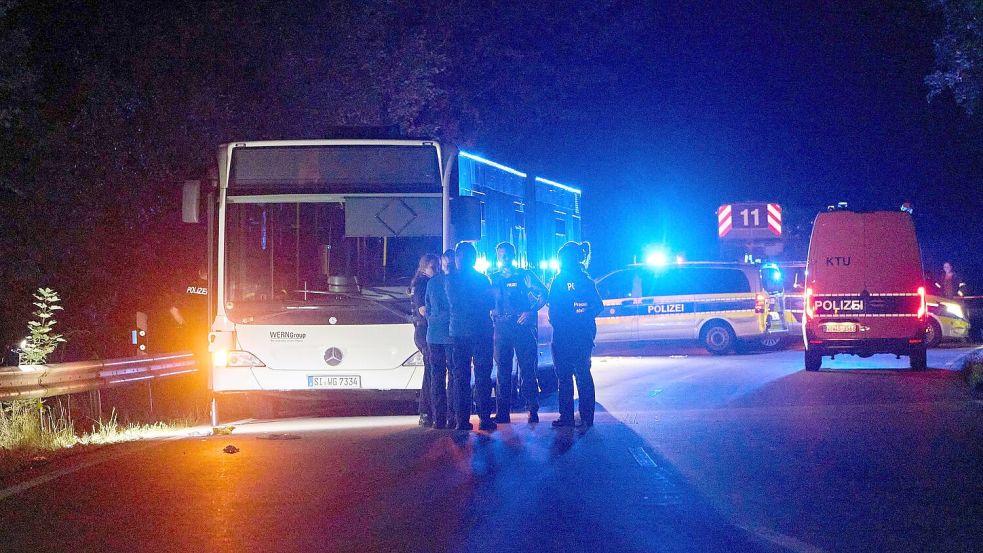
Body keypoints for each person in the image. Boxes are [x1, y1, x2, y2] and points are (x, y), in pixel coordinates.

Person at [489, 242, 548, 423]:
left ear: (513, 256)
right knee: (502, 371)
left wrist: (531, 311)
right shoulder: (493, 277)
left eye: (507, 255)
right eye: (501, 255)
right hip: (501, 328)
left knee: (527, 369)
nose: (504, 258)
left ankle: (532, 409)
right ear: (497, 257)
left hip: (522, 327)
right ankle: (502, 413)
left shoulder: (525, 276)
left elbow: (543, 293)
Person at [548, 241, 603, 429]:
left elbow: (553, 308)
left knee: (565, 377)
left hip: (565, 336)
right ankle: (586, 417)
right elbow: (597, 306)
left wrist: (567, 320)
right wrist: (583, 314)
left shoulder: (560, 281)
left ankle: (567, 417)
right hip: (582, 335)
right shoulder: (586, 281)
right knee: (582, 374)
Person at [445, 241, 496, 432]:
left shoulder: (449, 280)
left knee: (460, 377)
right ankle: (484, 417)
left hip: (458, 333)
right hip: (481, 331)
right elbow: (490, 303)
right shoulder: (482, 280)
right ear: (474, 259)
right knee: (483, 375)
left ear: (458, 258)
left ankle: (461, 420)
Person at [425, 249, 457, 429]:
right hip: (452, 335)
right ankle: (453, 417)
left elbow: (427, 308)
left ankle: (438, 418)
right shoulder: (457, 282)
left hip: (433, 335)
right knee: (454, 376)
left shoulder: (432, 282)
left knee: (436, 377)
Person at [410, 253, 440, 427]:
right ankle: (426, 411)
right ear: (424, 268)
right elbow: (423, 311)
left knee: (431, 371)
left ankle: (427, 411)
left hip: (423, 331)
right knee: (431, 372)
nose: (435, 271)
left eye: (437, 267)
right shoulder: (423, 284)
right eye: (432, 267)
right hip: (425, 331)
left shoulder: (422, 283)